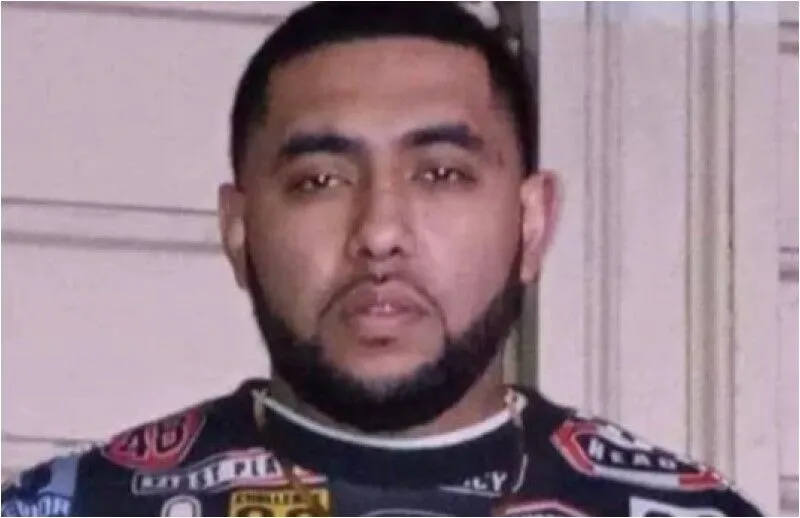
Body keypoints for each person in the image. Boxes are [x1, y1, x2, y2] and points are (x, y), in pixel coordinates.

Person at [1, 3, 763, 516]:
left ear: (531, 224)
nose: (380, 231)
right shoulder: (79, 505)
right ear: (239, 231)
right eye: (320, 181)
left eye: (442, 173)